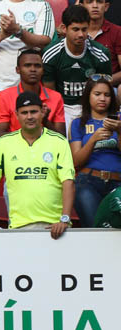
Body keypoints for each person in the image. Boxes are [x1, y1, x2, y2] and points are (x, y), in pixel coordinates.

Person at [0, 91, 75, 238]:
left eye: (34, 111)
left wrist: (64, 219)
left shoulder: (59, 141)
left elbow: (68, 182)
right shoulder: (4, 143)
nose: (30, 116)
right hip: (19, 227)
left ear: (42, 112)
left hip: (54, 226)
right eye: (24, 112)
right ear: (16, 114)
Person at [43, 5, 113, 136]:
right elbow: (51, 94)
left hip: (91, 107)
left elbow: (104, 89)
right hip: (62, 106)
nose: (81, 34)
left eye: (84, 29)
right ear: (64, 28)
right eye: (75, 29)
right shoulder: (50, 54)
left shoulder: (101, 53)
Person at [69, 76, 121, 227]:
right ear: (88, 96)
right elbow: (76, 162)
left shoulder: (119, 120)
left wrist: (119, 130)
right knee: (94, 230)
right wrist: (93, 140)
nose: (102, 98)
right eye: (97, 94)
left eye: (107, 95)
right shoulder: (78, 123)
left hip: (118, 182)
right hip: (88, 182)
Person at [0, 47, 67, 140]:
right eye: (27, 65)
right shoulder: (5, 96)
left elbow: (62, 139)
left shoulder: (56, 97)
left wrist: (45, 121)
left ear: (43, 70)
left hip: (47, 150)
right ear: (17, 70)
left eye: (37, 66)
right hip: (15, 150)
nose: (33, 69)